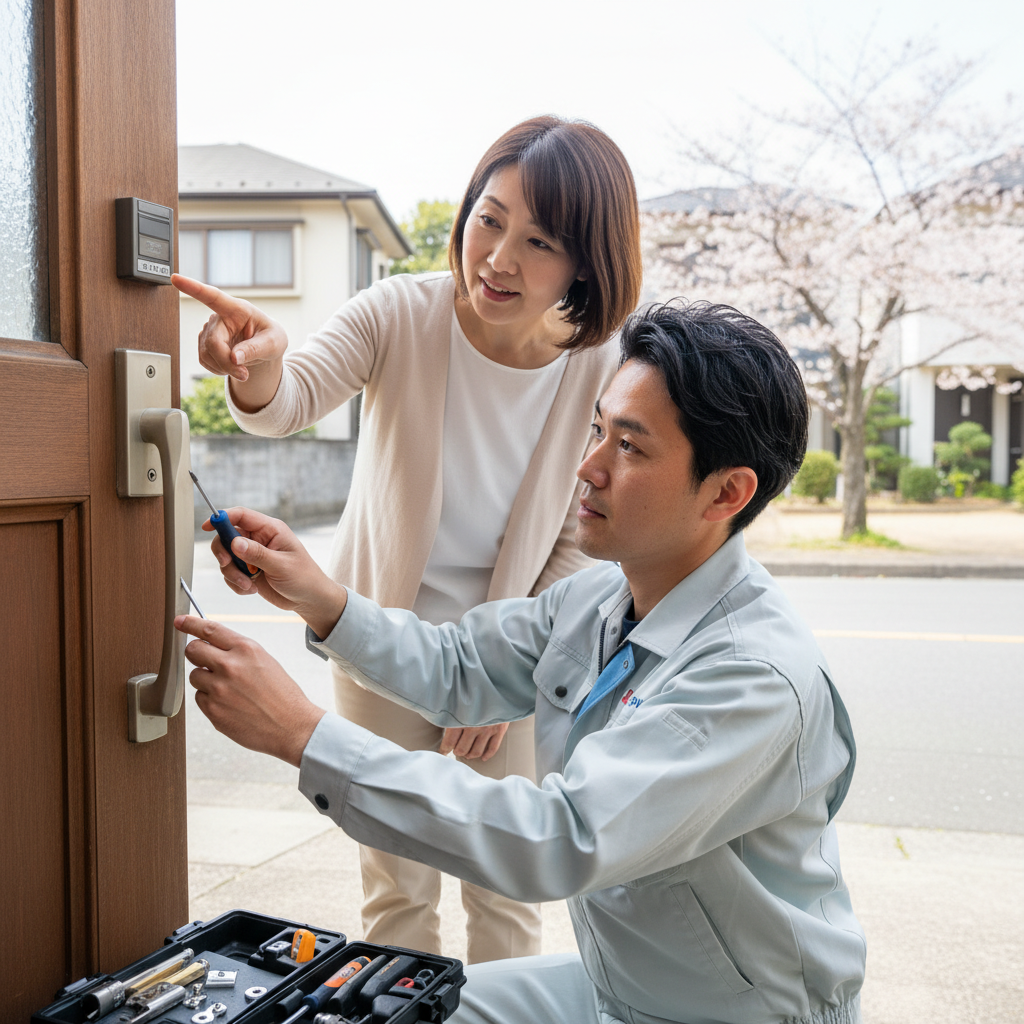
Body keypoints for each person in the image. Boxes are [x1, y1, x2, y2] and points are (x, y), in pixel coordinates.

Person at [177, 300, 866, 1024]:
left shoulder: (751, 677)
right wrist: (321, 599)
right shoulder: (605, 592)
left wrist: (302, 734)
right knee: (375, 1012)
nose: (588, 466)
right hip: (622, 984)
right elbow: (457, 667)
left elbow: (557, 839)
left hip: (732, 1012)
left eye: (629, 447)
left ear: (728, 492)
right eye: (598, 429)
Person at [171, 115, 643, 962]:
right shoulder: (400, 309)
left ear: (586, 261)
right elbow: (291, 398)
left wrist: (507, 686)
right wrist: (259, 365)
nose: (498, 257)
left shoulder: (602, 365)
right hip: (375, 638)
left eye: (539, 241)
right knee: (397, 895)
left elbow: (584, 546)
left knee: (506, 893)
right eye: (489, 219)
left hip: (519, 658)